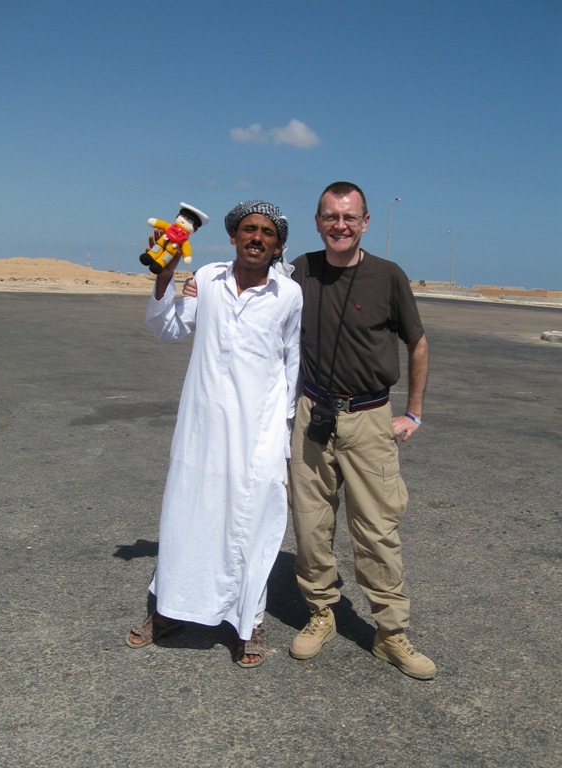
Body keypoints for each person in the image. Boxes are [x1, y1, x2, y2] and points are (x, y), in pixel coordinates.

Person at [125, 200, 303, 668]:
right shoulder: (206, 279)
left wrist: (284, 431)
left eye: (267, 232)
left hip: (258, 432)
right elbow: (168, 329)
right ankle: (169, 611)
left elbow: (293, 361)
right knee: (187, 514)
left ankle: (249, 623)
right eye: (248, 229)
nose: (256, 237)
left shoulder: (288, 294)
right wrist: (165, 275)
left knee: (254, 522)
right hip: (201, 426)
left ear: (277, 245)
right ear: (233, 236)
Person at [287, 181, 436, 679]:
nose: (340, 225)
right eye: (331, 216)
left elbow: (417, 342)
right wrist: (199, 284)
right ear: (317, 222)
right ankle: (320, 612)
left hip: (371, 418)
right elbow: (251, 283)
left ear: (365, 222)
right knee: (311, 524)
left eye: (350, 217)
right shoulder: (300, 270)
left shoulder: (388, 276)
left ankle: (390, 632)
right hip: (313, 413)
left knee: (376, 529)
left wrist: (413, 412)